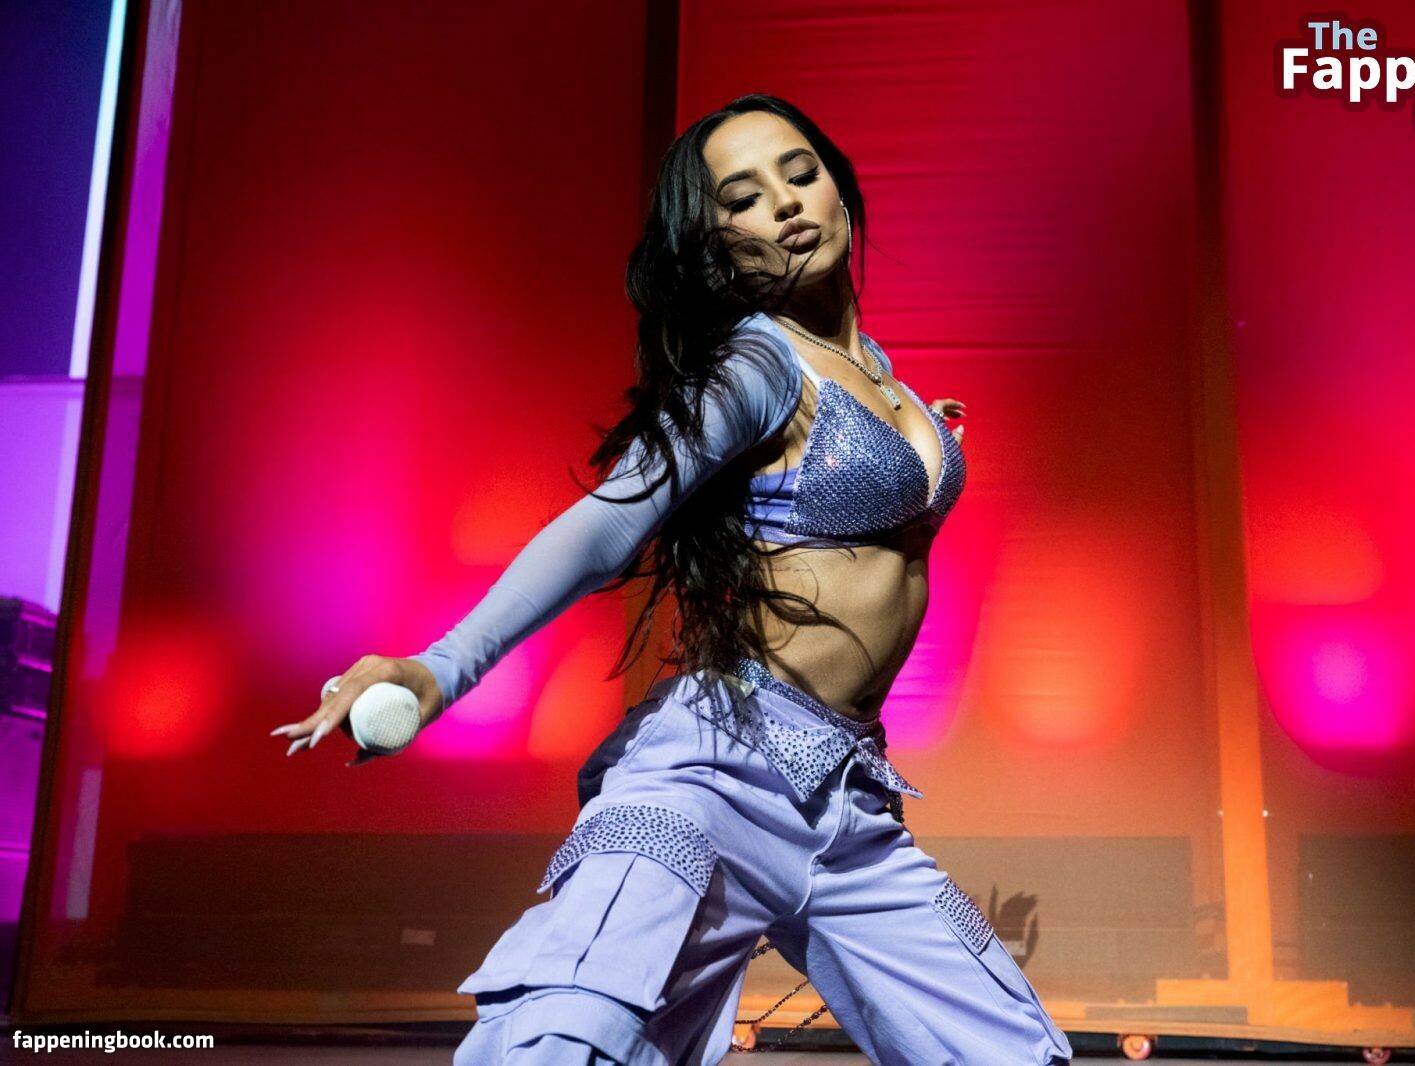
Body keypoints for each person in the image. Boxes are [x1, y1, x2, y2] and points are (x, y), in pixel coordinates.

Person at [271, 93, 1073, 1066]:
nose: (784, 203)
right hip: (717, 775)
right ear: (714, 244)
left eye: (800, 173)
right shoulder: (757, 368)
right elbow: (608, 523)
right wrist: (441, 668)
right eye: (743, 197)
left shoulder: (876, 370)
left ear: (840, 189)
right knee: (566, 1047)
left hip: (849, 802)